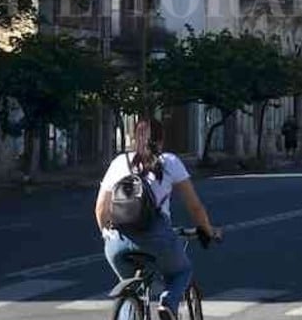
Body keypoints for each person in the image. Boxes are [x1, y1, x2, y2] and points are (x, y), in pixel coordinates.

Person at [95, 118, 221, 320]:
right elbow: (195, 207)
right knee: (181, 271)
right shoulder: (169, 162)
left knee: (133, 290)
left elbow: (100, 208)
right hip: (157, 239)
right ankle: (168, 305)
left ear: (135, 137)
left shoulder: (119, 162)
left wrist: (107, 235)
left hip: (116, 244)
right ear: (161, 141)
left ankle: (130, 307)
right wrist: (207, 229)